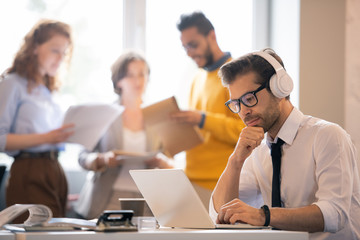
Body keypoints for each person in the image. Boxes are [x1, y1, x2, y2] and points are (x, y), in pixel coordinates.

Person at [210, 48, 360, 239]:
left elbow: (334, 214)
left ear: (280, 89)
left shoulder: (327, 136)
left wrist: (263, 215)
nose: (243, 112)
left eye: (249, 99)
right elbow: (220, 213)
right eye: (236, 104)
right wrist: (235, 161)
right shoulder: (258, 151)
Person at [74, 50, 174, 220]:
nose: (137, 81)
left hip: (148, 199)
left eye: (142, 74)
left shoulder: (157, 116)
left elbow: (170, 160)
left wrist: (162, 162)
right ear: (118, 81)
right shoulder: (104, 115)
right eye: (130, 75)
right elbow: (82, 157)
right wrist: (102, 159)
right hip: (109, 197)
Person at [0, 19, 74, 222]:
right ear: (34, 48)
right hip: (29, 169)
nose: (60, 58)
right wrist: (47, 138)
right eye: (55, 50)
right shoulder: (12, 83)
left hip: (54, 170)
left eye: (64, 53)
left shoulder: (48, 90)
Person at [173, 11, 245, 209]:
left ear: (211, 36)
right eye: (185, 47)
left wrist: (202, 119)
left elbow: (244, 131)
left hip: (218, 185)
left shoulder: (237, 75)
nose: (189, 52)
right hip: (190, 181)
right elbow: (201, 133)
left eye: (193, 44)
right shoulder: (197, 78)